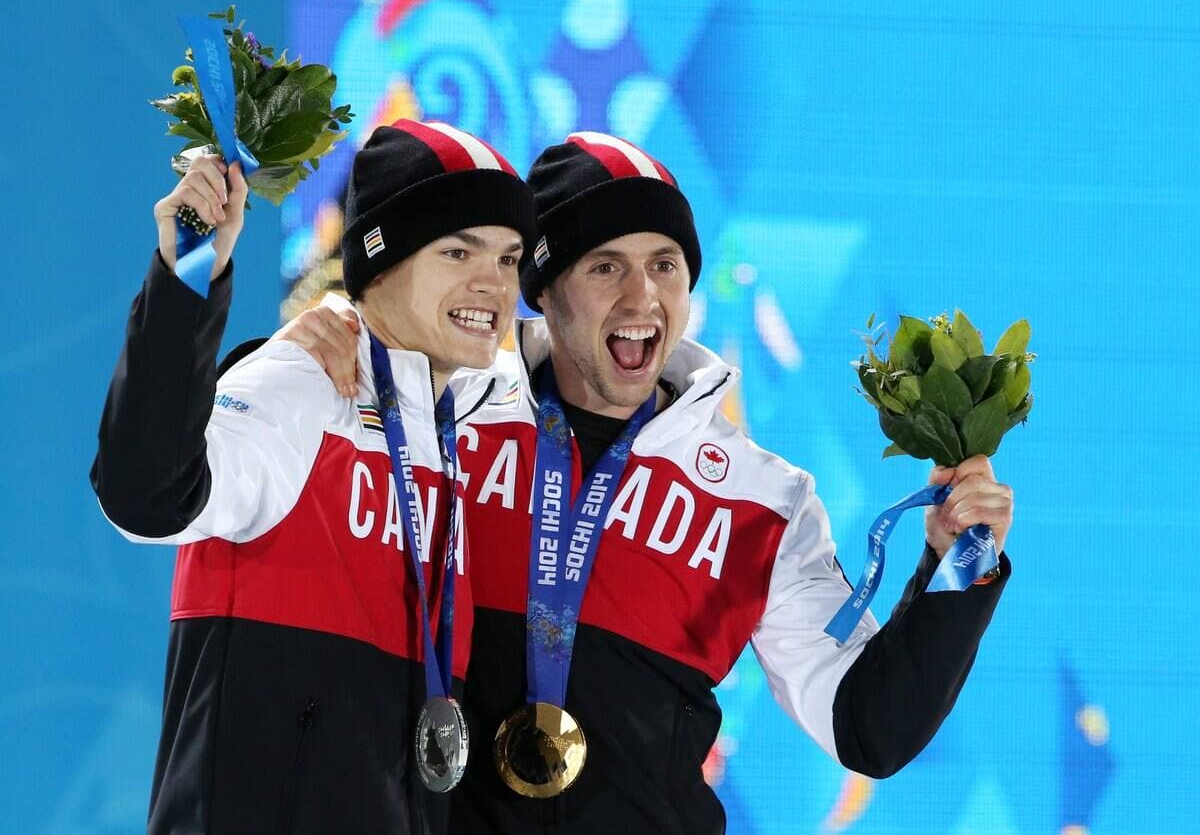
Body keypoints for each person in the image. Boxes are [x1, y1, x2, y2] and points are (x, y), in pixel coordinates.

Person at [258, 131, 1015, 834]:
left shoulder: (760, 501)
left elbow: (870, 728)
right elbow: (228, 476)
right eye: (605, 266)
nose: (642, 297)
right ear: (543, 289)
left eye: (664, 265)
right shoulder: (435, 415)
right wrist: (290, 357)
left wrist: (961, 564)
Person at [90, 119, 536, 834]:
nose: (494, 284)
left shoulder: (461, 421)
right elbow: (146, 497)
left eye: (510, 259)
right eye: (459, 251)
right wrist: (189, 273)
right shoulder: (300, 384)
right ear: (379, 262)